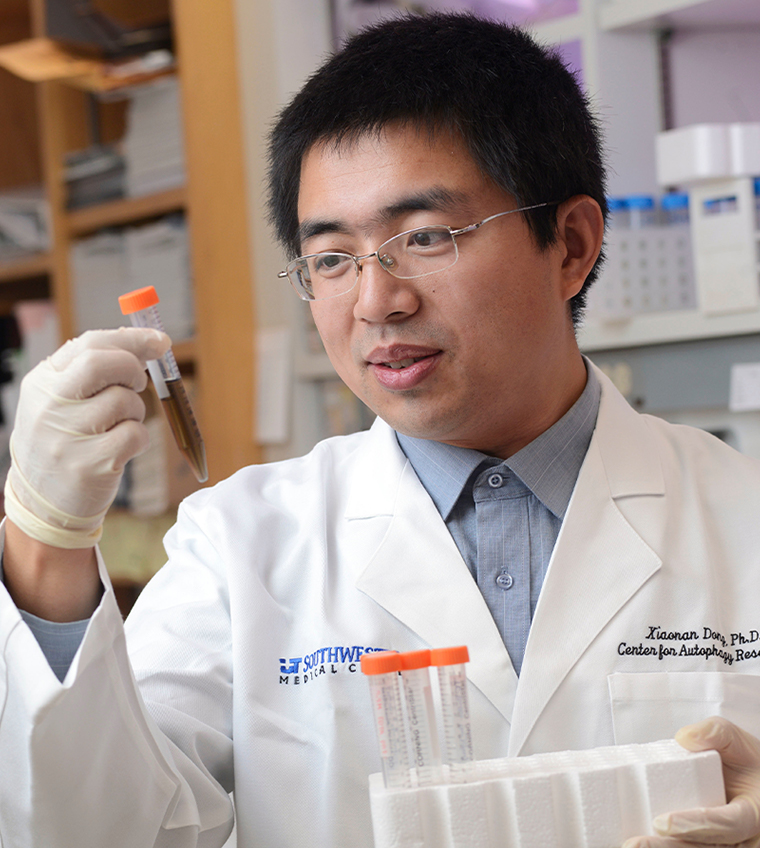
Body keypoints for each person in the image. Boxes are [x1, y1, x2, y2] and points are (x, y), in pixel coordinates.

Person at [2, 11, 760, 848]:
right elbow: (97, 828)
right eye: (330, 258)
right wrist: (47, 544)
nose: (375, 301)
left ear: (571, 245)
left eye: (426, 237)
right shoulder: (239, 546)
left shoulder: (742, 514)